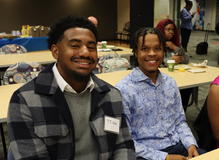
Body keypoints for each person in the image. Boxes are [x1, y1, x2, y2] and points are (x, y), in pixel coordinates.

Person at [7, 16, 135, 159]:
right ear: (56, 51)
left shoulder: (111, 95)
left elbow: (123, 146)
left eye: (91, 47)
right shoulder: (24, 101)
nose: (85, 52)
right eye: (75, 45)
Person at [116, 28, 199, 160]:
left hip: (177, 145)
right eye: (145, 49)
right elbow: (125, 140)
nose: (152, 53)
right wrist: (165, 157)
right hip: (145, 154)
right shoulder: (124, 89)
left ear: (164, 51)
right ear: (136, 52)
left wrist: (191, 145)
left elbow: (180, 121)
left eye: (157, 48)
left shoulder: (170, 83)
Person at [155, 18, 193, 110]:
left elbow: (187, 59)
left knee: (188, 87)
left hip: (176, 75)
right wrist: (170, 61)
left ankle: (182, 111)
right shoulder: (155, 44)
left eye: (173, 30)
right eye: (168, 29)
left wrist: (174, 47)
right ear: (161, 30)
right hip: (160, 78)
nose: (171, 32)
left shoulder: (174, 43)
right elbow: (156, 62)